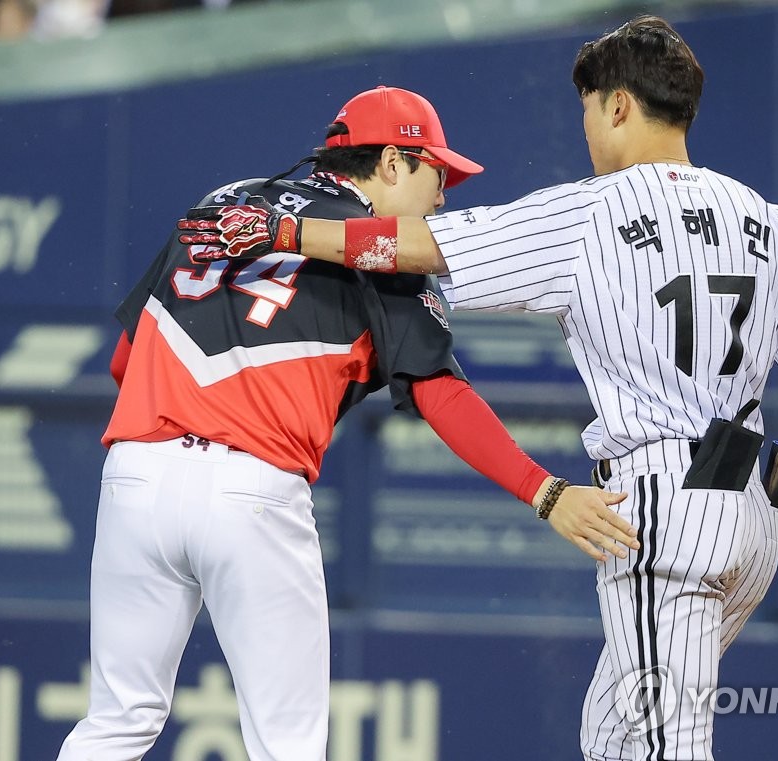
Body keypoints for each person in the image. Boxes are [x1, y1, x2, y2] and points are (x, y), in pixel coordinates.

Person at [178, 16, 778, 761]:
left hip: (661, 508)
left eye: (591, 108)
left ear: (621, 106)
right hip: (752, 521)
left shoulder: (590, 212)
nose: (589, 128)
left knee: (668, 746)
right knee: (610, 735)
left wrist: (283, 234)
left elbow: (411, 245)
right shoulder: (773, 223)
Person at [57, 85, 639, 761]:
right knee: (288, 745)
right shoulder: (377, 252)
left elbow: (125, 359)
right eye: (437, 173)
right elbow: (440, 394)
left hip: (137, 475)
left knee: (116, 721)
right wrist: (544, 490)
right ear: (392, 162)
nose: (443, 195)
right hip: (251, 490)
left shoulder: (226, 201)